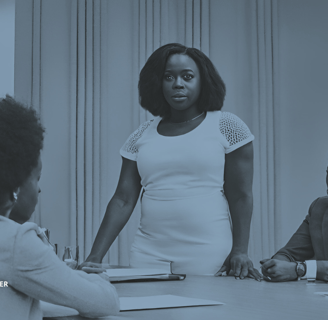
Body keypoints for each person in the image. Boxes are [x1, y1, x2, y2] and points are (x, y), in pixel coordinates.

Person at [80, 43, 261, 279]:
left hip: (209, 255)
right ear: (158, 83)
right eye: (168, 77)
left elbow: (241, 195)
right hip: (148, 256)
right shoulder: (141, 135)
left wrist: (240, 250)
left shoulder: (227, 126)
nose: (178, 83)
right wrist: (94, 258)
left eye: (187, 76)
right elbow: (123, 200)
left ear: (202, 81)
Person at [0, 96, 120, 320]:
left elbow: (5, 287)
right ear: (15, 185)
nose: (38, 190)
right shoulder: (15, 242)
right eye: (37, 178)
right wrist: (97, 279)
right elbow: (105, 303)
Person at [261, 167, 328, 282]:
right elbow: (289, 253)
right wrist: (274, 266)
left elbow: (296, 269)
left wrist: (300, 269)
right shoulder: (319, 207)